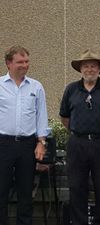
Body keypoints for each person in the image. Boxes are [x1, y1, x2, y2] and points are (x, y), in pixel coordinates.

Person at [59, 49, 100, 225]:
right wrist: (81, 132)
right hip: (78, 144)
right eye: (86, 66)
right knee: (77, 187)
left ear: (99, 69)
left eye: (93, 66)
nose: (89, 69)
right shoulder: (71, 89)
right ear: (80, 69)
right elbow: (64, 117)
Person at [0, 46, 48, 225]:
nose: (24, 65)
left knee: (26, 193)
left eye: (26, 61)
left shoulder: (36, 87)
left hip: (27, 146)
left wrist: (41, 142)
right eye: (20, 62)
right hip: (3, 144)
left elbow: (41, 116)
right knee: (1, 192)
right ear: (9, 63)